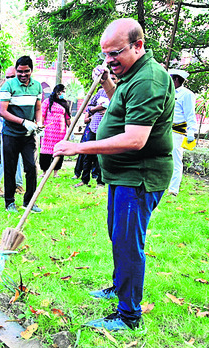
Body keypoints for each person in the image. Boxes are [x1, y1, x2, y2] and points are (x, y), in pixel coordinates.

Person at [54, 18, 175, 331]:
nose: (109, 60)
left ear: (138, 46)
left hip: (139, 176)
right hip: (123, 176)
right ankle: (119, 288)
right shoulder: (132, 75)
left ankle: (128, 314)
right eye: (105, 55)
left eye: (116, 54)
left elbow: (136, 139)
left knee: (128, 242)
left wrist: (80, 149)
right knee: (117, 234)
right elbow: (119, 109)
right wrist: (108, 82)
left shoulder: (149, 79)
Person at [0, 56, 43, 213]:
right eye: (19, 71)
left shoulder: (37, 86)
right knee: (10, 169)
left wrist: (38, 123)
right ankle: (9, 202)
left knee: (31, 167)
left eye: (26, 71)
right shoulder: (9, 85)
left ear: (31, 70)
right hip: (10, 134)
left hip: (28, 136)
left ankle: (29, 202)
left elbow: (38, 108)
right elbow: (3, 112)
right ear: (16, 70)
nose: (23, 75)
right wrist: (23, 122)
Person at [74, 74, 119, 187]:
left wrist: (108, 109)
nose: (111, 81)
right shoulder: (100, 93)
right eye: (110, 78)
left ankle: (100, 182)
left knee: (102, 156)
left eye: (113, 79)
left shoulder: (118, 94)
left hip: (107, 129)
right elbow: (89, 107)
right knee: (87, 155)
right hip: (93, 127)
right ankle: (84, 180)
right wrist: (96, 109)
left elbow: (120, 110)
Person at [0, 66, 25, 197]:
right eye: (8, 77)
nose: (10, 79)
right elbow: (1, 114)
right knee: (2, 159)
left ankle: (18, 184)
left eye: (13, 77)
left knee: (19, 160)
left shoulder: (19, 92)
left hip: (19, 132)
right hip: (4, 132)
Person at [168, 68, 197, 196]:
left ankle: (173, 189)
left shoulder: (187, 94)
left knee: (176, 160)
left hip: (178, 131)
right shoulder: (168, 92)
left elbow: (190, 115)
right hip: (166, 129)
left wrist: (191, 132)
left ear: (176, 79)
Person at [40, 84, 71, 178]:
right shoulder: (47, 102)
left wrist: (71, 129)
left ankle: (55, 172)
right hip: (48, 132)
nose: (63, 94)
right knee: (46, 152)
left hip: (60, 133)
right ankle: (44, 172)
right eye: (63, 91)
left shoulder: (65, 103)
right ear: (58, 92)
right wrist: (41, 126)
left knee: (59, 151)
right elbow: (42, 114)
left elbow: (67, 118)